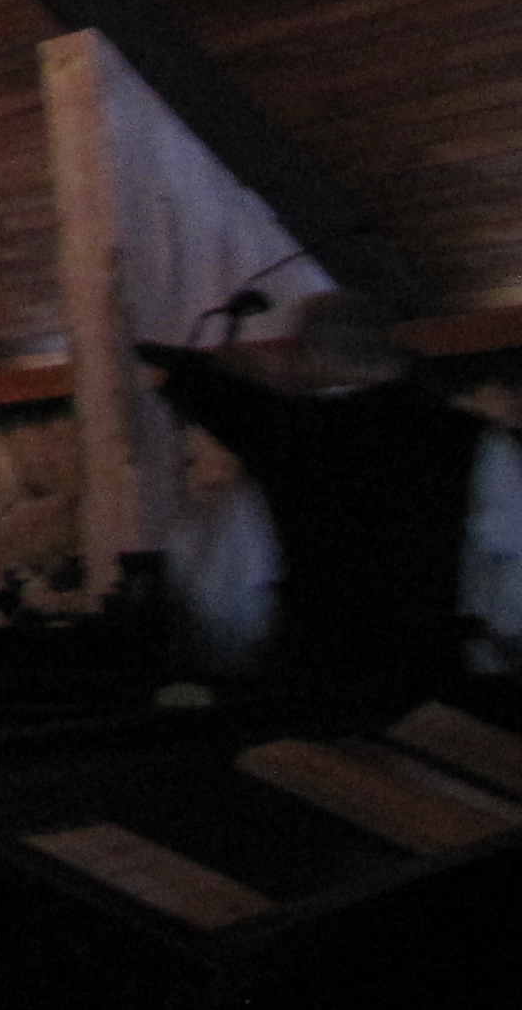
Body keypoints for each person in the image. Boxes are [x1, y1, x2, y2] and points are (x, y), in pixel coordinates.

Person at [135, 294, 484, 713]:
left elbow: (227, 599)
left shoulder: (289, 436)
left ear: (312, 354)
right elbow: (505, 569)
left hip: (319, 678)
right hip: (435, 678)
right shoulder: (464, 435)